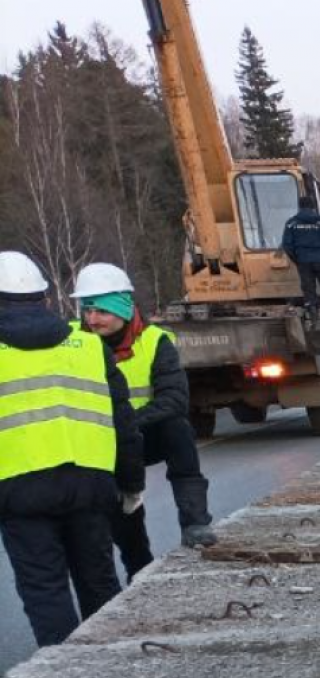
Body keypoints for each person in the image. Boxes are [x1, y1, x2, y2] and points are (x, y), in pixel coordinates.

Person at [0, 251, 144, 646]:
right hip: (89, 486)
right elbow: (124, 423)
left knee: (44, 589)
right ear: (45, 298)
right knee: (98, 581)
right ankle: (110, 666)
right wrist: (131, 485)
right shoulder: (88, 346)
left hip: (18, 492)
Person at [71, 262, 218, 581]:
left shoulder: (154, 341)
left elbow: (174, 399)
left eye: (100, 311)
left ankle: (195, 523)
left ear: (122, 309)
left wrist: (128, 423)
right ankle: (139, 564)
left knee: (178, 429)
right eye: (87, 311)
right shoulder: (74, 343)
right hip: (102, 441)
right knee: (121, 501)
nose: (92, 319)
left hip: (144, 431)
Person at [281, 195, 320, 329]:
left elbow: (287, 245)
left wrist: (297, 259)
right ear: (312, 207)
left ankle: (315, 322)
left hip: (304, 262)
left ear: (300, 206)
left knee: (309, 291)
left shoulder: (291, 223)